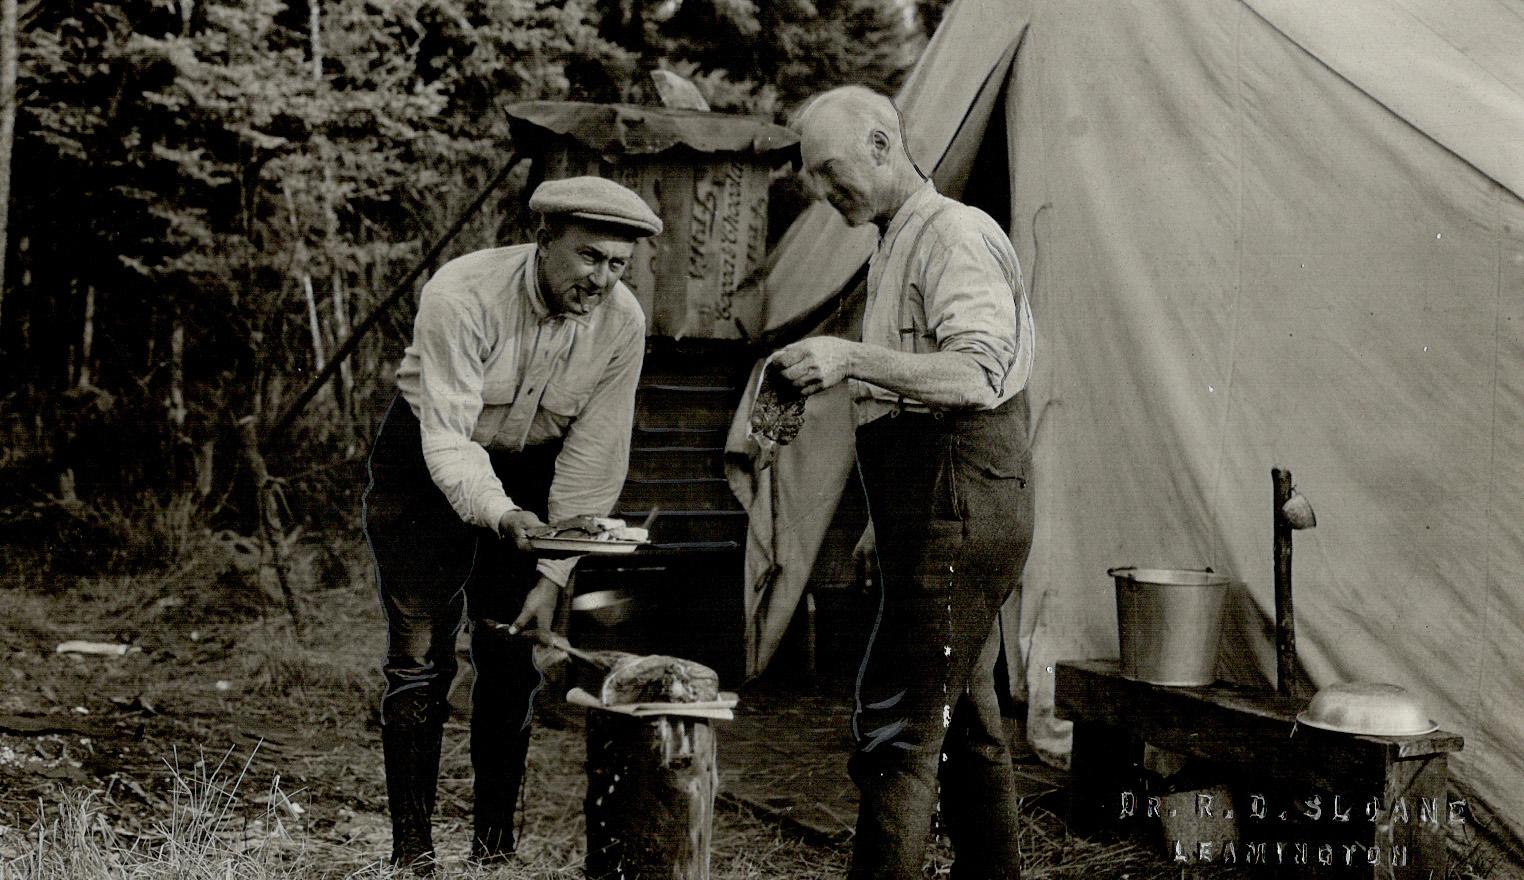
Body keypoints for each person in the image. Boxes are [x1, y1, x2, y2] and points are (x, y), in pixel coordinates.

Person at [775, 86, 1036, 879]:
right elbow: (907, 399)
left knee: (898, 724)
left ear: (883, 146)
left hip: (959, 502)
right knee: (969, 720)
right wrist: (874, 525)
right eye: (813, 179)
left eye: (830, 170)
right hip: (939, 507)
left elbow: (977, 373)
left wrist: (848, 358)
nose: (823, 192)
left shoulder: (954, 234)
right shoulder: (896, 242)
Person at [362, 176, 660, 869]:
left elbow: (594, 457)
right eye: (589, 257)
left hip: (534, 469)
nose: (603, 280)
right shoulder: (461, 293)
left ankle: (492, 853)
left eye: (619, 265)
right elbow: (448, 441)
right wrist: (501, 516)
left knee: (512, 652)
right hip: (428, 462)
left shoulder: (623, 322)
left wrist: (555, 572)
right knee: (418, 656)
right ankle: (414, 855)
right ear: (545, 238)